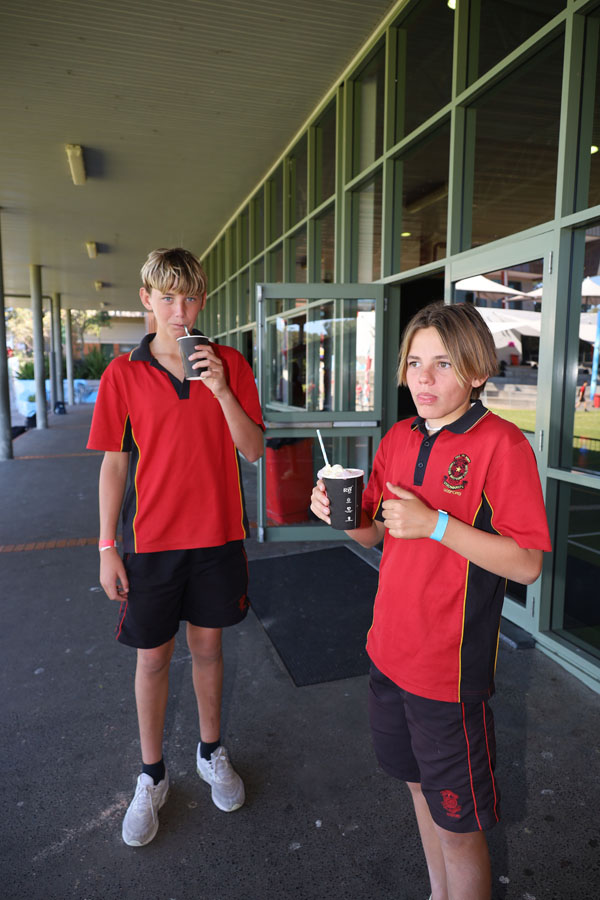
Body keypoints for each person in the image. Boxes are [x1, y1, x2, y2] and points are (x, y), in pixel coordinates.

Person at [310, 302, 551, 900]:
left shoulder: (502, 445)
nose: (423, 377)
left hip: (448, 672)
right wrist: (341, 517)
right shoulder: (399, 437)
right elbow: (376, 533)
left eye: (443, 363)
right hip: (387, 653)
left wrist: (437, 525)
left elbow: (527, 562)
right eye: (415, 362)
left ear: (476, 371)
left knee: (460, 829)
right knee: (418, 788)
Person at [87, 248, 264, 847]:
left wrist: (221, 390)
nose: (179, 310)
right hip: (150, 543)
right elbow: (114, 465)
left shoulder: (229, 364)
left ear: (203, 299)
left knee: (208, 650)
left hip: (217, 538)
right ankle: (152, 773)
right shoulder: (123, 373)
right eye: (167, 298)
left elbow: (253, 450)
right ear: (147, 299)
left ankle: (211, 752)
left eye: (189, 298)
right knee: (152, 659)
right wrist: (106, 546)